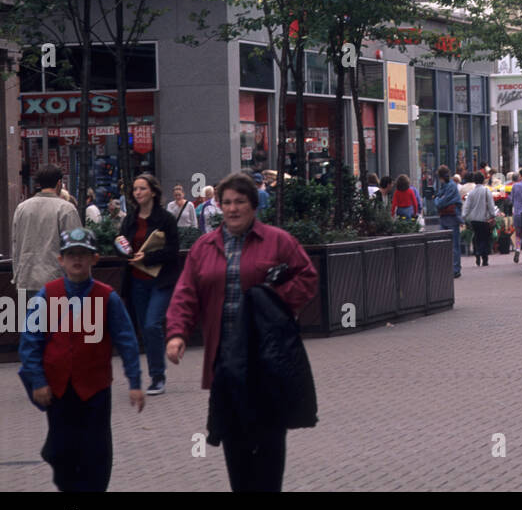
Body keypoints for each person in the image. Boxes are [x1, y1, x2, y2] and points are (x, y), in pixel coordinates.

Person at [165, 173, 318, 492]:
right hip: (226, 362)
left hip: (267, 360)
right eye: (227, 203)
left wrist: (275, 299)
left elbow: (307, 277)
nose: (233, 209)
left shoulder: (278, 241)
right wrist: (177, 334)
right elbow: (186, 293)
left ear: (253, 205)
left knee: (269, 449)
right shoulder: (204, 248)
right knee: (235, 447)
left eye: (240, 202)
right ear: (219, 206)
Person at [18, 227, 145, 492]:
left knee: (97, 451)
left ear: (94, 259)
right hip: (58, 389)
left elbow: (127, 340)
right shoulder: (47, 295)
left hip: (95, 388)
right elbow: (31, 342)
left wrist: (134, 381)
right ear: (60, 260)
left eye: (83, 255)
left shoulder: (106, 296)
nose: (77, 260)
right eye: (71, 254)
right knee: (62, 450)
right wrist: (37, 380)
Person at [120, 174, 180, 396]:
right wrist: (125, 252)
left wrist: (147, 257)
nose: (137, 193)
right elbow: (120, 241)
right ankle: (154, 374)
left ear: (153, 192)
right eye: (135, 189)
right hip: (136, 281)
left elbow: (173, 251)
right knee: (144, 329)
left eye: (142, 188)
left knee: (152, 324)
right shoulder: (129, 220)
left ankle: (158, 376)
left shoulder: (165, 219)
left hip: (160, 281)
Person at [11, 165, 82, 292]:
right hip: (55, 280)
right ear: (59, 183)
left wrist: (17, 276)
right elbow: (76, 246)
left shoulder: (21, 208)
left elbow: (15, 245)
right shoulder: (66, 209)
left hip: (26, 279)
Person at [430, 166, 464, 275]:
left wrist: (436, 199)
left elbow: (440, 202)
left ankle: (455, 269)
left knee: (453, 244)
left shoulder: (449, 187)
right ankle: (452, 267)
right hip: (448, 217)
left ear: (440, 177)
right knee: (449, 243)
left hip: (451, 217)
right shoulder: (448, 186)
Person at [463, 172, 495, 267]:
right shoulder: (486, 191)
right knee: (485, 238)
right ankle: (484, 258)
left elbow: (467, 207)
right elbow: (490, 204)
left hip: (474, 220)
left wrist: (464, 216)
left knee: (477, 237)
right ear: (483, 180)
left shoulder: (471, 193)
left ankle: (477, 252)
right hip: (484, 219)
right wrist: (493, 215)